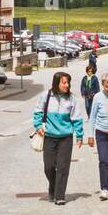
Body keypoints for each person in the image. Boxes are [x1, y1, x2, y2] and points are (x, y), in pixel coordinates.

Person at [32, 71, 84, 206]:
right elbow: (38, 111)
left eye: (68, 82)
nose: (67, 85)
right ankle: (53, 187)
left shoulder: (72, 99)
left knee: (63, 167)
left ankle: (59, 196)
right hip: (49, 136)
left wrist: (79, 135)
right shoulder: (46, 96)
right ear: (57, 83)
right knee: (48, 167)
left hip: (66, 138)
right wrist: (38, 126)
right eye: (64, 82)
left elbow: (77, 118)